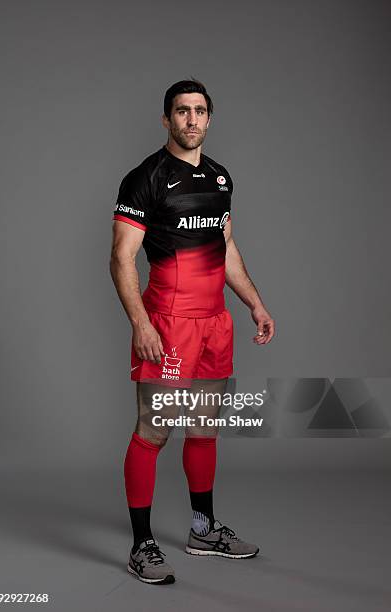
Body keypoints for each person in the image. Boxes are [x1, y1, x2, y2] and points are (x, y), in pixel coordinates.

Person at [109, 78, 275, 585]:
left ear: (209, 118)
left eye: (200, 111)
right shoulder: (146, 178)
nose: (191, 119)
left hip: (214, 324)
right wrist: (140, 322)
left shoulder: (222, 178)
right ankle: (142, 545)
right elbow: (120, 258)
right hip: (168, 324)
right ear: (166, 119)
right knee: (154, 431)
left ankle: (203, 529)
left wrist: (255, 303)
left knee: (204, 428)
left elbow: (225, 249)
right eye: (181, 111)